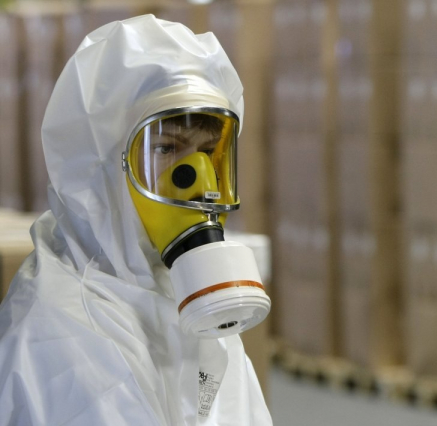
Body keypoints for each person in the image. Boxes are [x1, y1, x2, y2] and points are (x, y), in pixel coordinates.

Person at [0, 15, 272, 425]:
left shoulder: (176, 295)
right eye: (166, 149)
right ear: (101, 167)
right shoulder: (59, 338)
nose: (199, 183)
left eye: (208, 153)